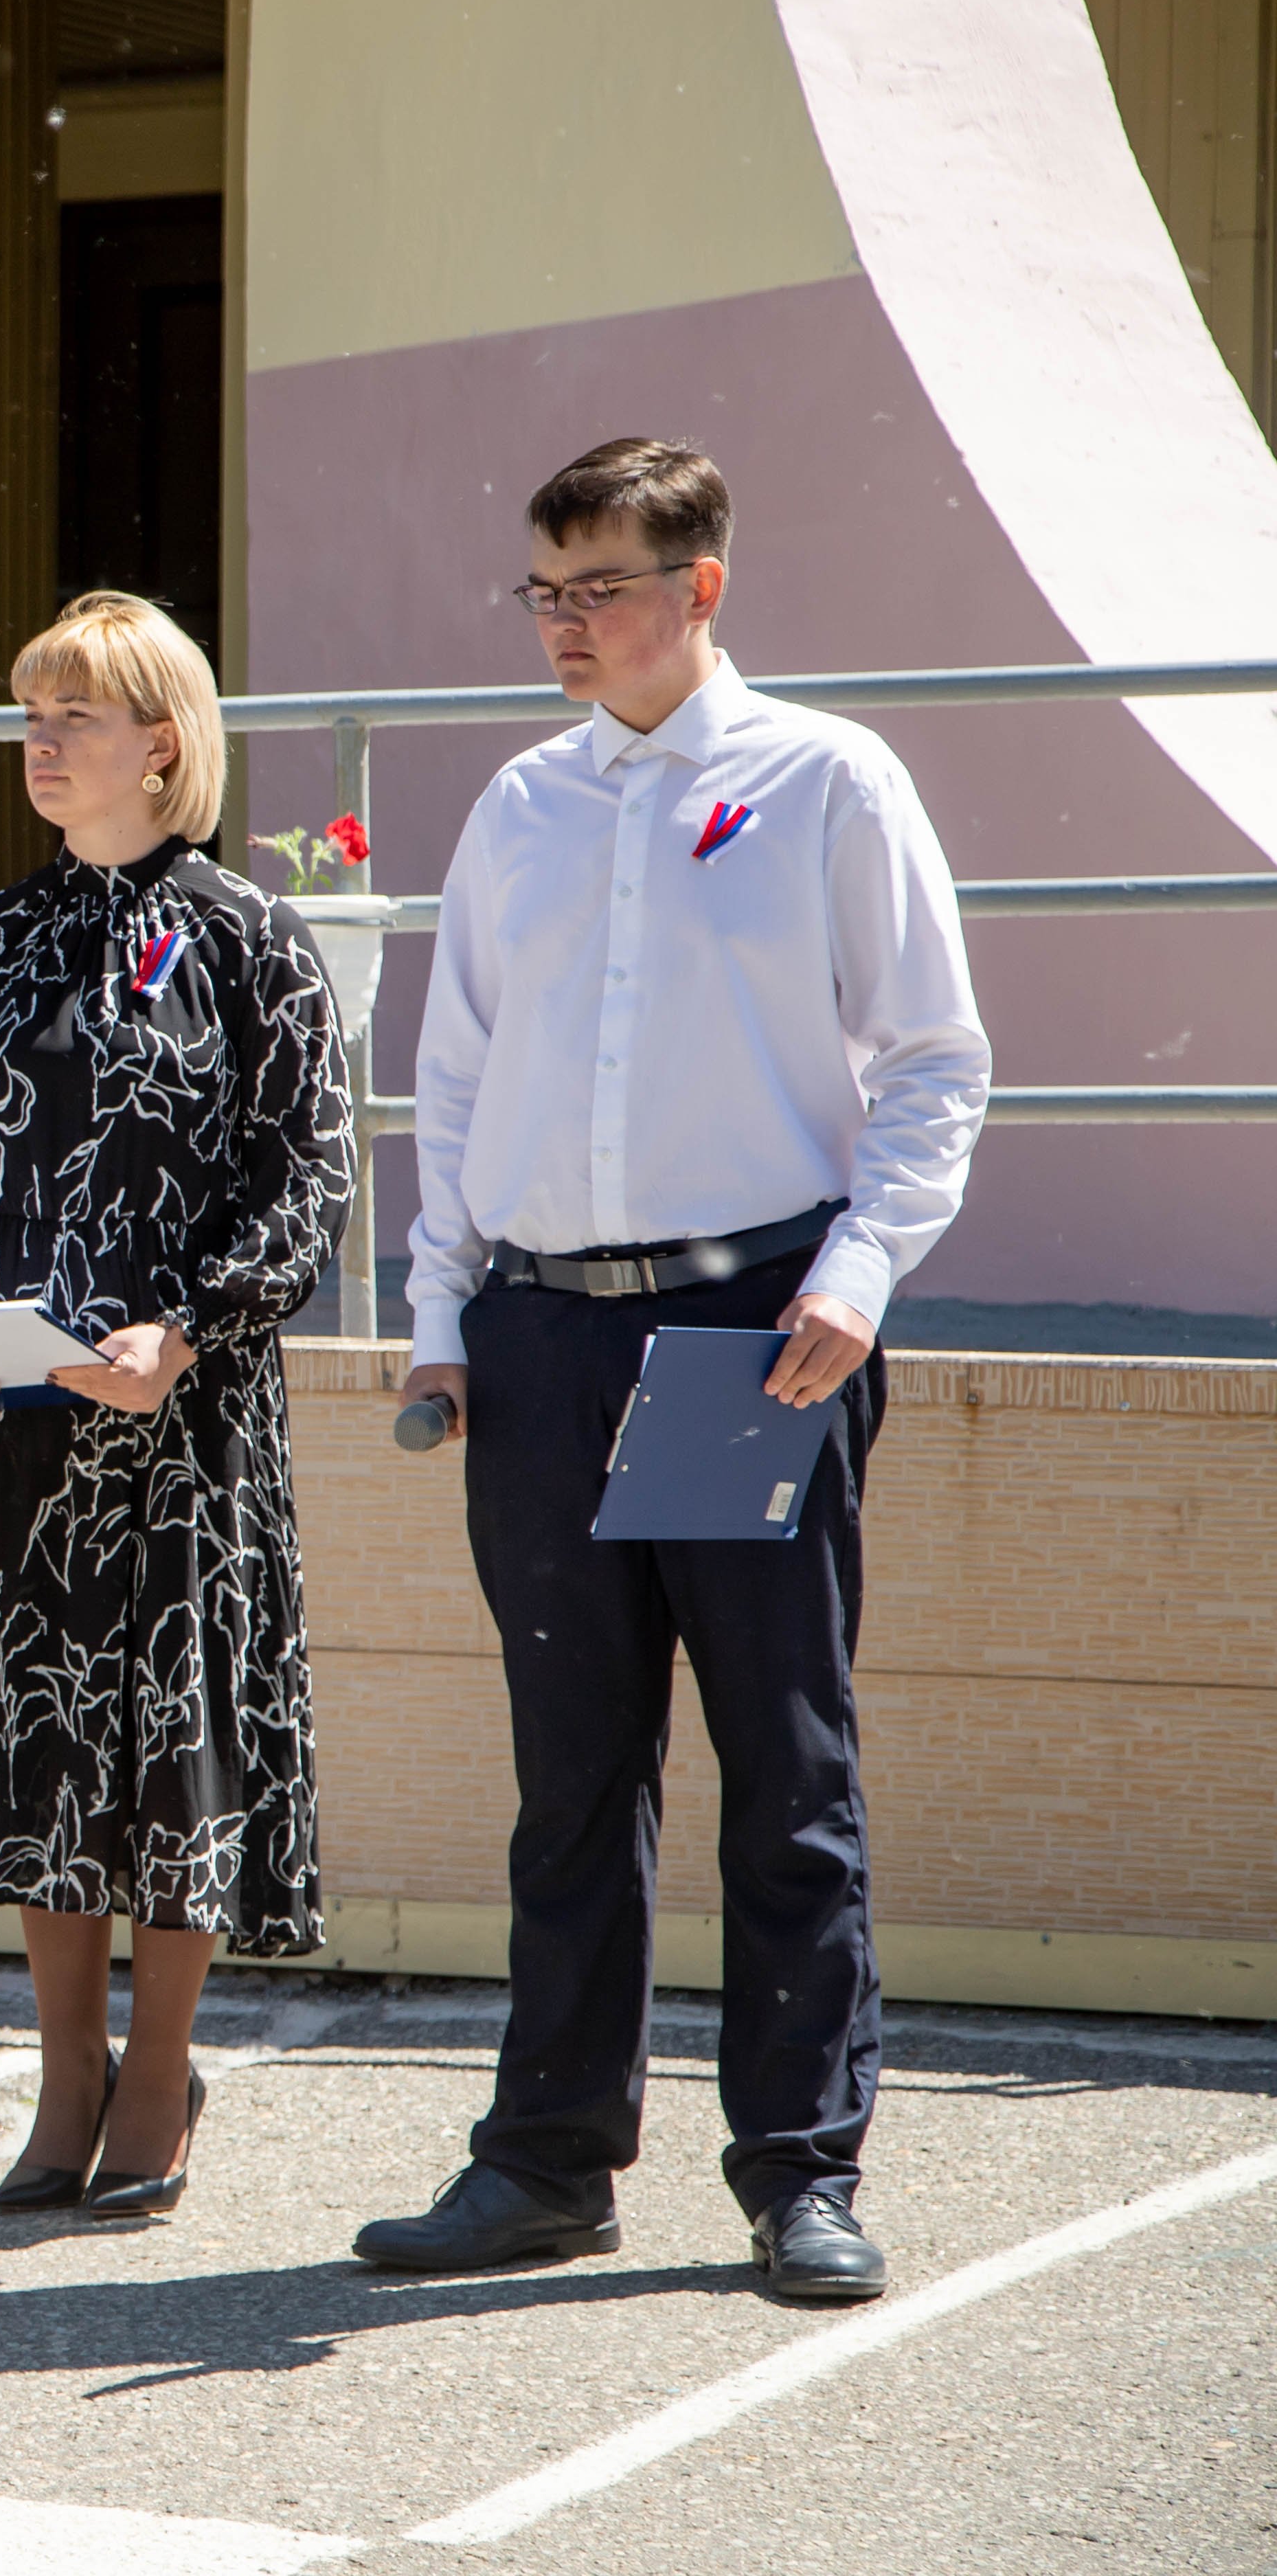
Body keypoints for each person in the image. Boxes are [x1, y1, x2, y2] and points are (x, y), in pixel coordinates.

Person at [356, 441, 986, 2305]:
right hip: (544, 1337)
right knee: (573, 1773)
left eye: (602, 588)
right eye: (545, 590)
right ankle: (547, 2161)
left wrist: (862, 1275)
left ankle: (800, 2173)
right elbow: (456, 1079)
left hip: (741, 1339)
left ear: (702, 586)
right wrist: (441, 1314)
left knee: (777, 1765)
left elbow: (934, 1060)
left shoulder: (824, 783)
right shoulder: (523, 808)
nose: (565, 625)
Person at [0, 590, 352, 2219]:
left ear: (163, 741)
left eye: (71, 715)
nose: (38, 742)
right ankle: (65, 2067)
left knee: (172, 1740)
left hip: (177, 1430)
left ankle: (159, 2070)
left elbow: (304, 1187)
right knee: (30, 1746)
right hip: (1, 1429)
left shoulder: (253, 945)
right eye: (28, 713)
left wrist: (185, 1332)